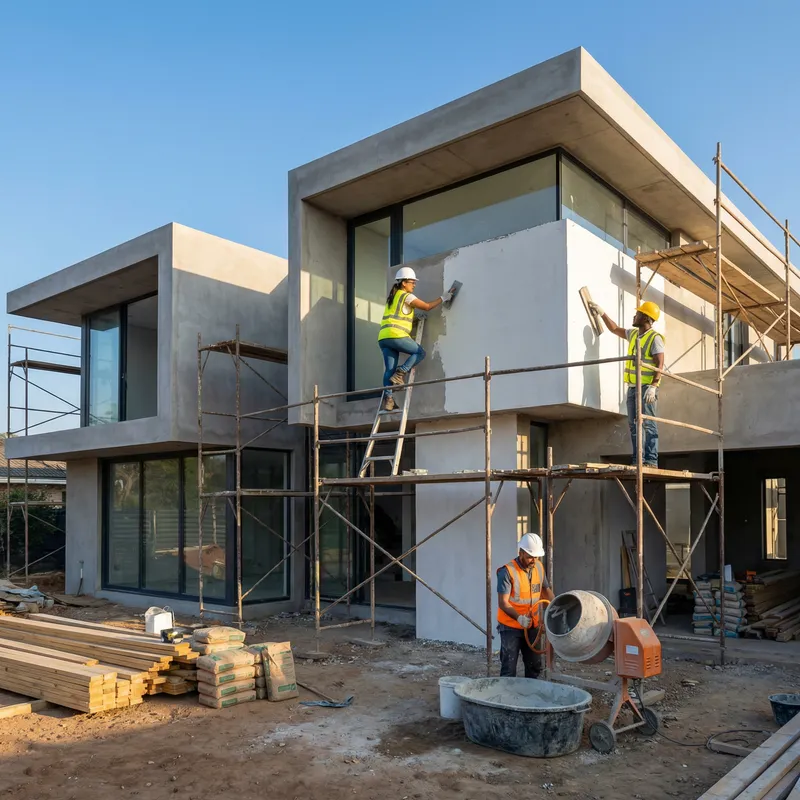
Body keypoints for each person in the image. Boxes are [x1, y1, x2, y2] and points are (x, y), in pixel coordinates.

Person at [589, 299, 664, 467]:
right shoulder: (634, 335)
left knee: (649, 424)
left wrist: (653, 386)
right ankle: (638, 460)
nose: (634, 316)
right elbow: (615, 329)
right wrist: (602, 313)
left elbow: (660, 364)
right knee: (634, 425)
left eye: (638, 313)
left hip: (646, 388)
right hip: (632, 388)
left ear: (646, 318)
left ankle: (651, 460)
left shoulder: (655, 338)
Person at [377, 266, 453, 412]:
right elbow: (427, 306)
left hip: (384, 338)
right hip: (397, 335)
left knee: (389, 370)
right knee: (420, 352)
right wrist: (443, 298)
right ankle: (401, 373)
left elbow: (399, 315)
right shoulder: (406, 296)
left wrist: (414, 319)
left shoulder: (392, 298)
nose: (414, 285)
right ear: (404, 283)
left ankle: (389, 400)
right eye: (412, 282)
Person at [497, 533, 555, 679]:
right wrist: (519, 618)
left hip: (532, 626)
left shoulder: (539, 567)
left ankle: (531, 692)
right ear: (521, 552)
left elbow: (546, 591)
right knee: (509, 667)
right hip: (510, 627)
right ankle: (506, 692)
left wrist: (556, 607)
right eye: (530, 556)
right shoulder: (507, 571)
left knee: (534, 666)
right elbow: (503, 603)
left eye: (536, 557)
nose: (533, 560)